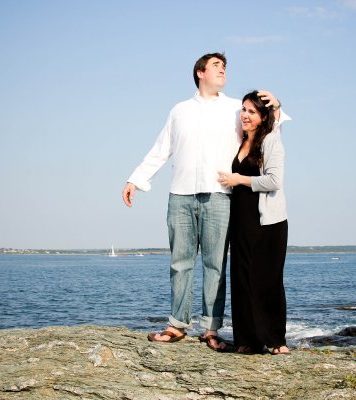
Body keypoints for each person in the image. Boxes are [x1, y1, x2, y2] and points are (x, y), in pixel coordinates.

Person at [121, 53, 285, 351]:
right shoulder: (179, 110)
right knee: (180, 263)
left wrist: (278, 104)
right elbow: (161, 149)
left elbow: (270, 124)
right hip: (180, 195)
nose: (223, 70)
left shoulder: (237, 108)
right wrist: (136, 179)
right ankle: (177, 324)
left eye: (225, 67)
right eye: (216, 66)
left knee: (216, 265)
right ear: (200, 73)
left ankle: (211, 328)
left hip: (220, 197)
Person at [217, 90, 290, 355]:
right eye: (243, 110)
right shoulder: (238, 140)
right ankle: (247, 339)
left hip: (268, 222)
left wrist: (240, 180)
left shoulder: (271, 139)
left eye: (252, 111)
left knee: (267, 280)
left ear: (262, 116)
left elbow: (274, 181)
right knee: (242, 278)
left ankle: (276, 340)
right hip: (241, 220)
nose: (245, 115)